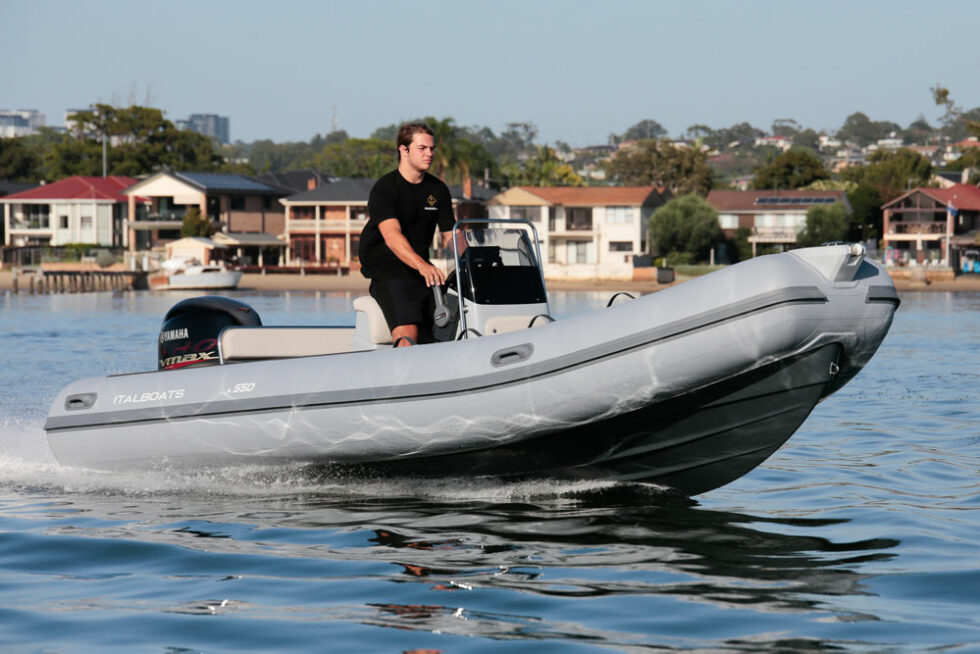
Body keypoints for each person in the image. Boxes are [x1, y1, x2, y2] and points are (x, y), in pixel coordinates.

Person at [358, 123, 456, 346]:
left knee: (454, 319)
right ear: (404, 150)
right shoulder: (385, 189)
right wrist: (423, 266)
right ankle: (402, 367)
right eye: (422, 148)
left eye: (432, 149)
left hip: (420, 268)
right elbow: (392, 237)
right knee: (409, 332)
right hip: (388, 267)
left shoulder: (438, 190)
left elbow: (451, 235)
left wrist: (471, 261)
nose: (429, 154)